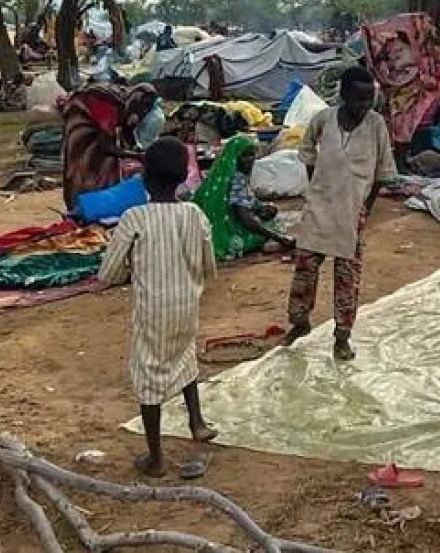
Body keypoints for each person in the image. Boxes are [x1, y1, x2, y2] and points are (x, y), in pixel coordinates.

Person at [98, 137, 218, 477]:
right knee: (185, 355)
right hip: (186, 305)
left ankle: (156, 458)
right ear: (183, 176)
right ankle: (197, 422)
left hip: (153, 310)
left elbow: (108, 273)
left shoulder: (134, 218)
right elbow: (210, 265)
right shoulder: (195, 214)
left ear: (145, 178)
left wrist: (127, 271)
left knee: (149, 373)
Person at [284, 66, 397, 361]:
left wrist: (366, 208)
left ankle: (342, 337)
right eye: (359, 99)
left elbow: (384, 171)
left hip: (352, 211)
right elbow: (307, 149)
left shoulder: (375, 125)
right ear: (344, 95)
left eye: (369, 99)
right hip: (320, 207)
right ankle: (300, 322)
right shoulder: (323, 119)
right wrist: (315, 184)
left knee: (347, 278)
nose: (364, 106)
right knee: (305, 269)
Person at [195, 135, 294, 260]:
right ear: (235, 158)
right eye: (245, 156)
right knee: (272, 226)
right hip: (225, 235)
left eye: (252, 155)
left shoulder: (217, 177)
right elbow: (245, 219)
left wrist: (262, 207)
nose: (250, 160)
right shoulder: (237, 180)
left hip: (204, 232)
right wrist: (280, 237)